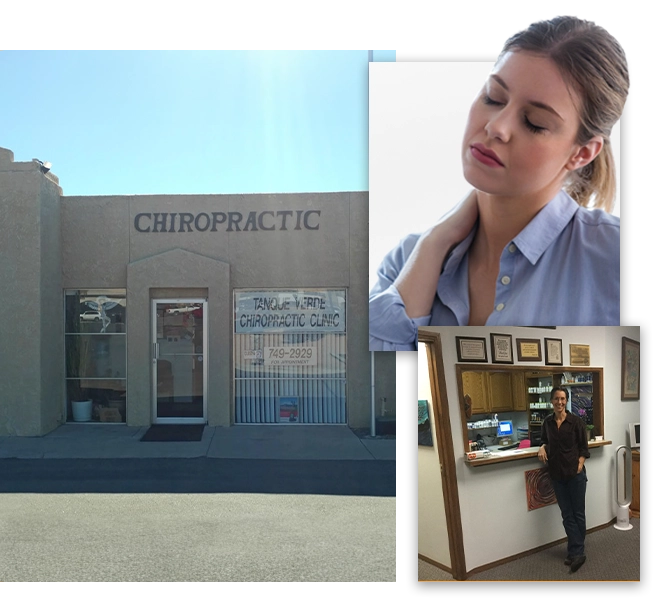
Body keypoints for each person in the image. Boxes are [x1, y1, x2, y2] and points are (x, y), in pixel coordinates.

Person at [369, 15, 630, 350]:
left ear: (581, 154)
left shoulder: (618, 259)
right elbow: (372, 389)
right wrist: (435, 242)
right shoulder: (409, 259)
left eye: (534, 123)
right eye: (493, 97)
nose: (497, 127)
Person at [537, 386, 590, 573]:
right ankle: (576, 551)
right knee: (566, 514)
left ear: (566, 401)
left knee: (578, 514)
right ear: (552, 401)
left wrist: (579, 465)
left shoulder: (576, 422)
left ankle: (576, 551)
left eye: (563, 399)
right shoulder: (547, 423)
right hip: (557, 475)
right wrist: (542, 447)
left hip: (575, 476)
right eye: (556, 399)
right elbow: (544, 440)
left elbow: (584, 448)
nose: (560, 402)